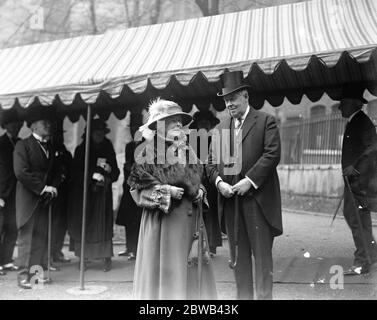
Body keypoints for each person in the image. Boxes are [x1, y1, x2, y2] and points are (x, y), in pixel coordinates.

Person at [128, 98, 217, 299]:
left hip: (190, 224)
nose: (178, 124)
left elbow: (197, 179)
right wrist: (165, 191)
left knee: (190, 276)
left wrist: (201, 190)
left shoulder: (188, 149)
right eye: (172, 120)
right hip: (163, 225)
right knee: (167, 276)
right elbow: (136, 190)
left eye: (179, 120)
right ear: (160, 126)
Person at [206, 71, 283, 300]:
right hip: (232, 205)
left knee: (262, 259)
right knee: (238, 260)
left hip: (257, 203)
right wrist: (219, 183)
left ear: (246, 96)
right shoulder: (220, 129)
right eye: (226, 100)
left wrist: (249, 181)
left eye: (233, 98)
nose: (229, 103)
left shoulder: (265, 121)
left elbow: (272, 155)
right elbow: (210, 163)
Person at [13, 106, 59, 289]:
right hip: (28, 198)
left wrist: (53, 186)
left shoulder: (50, 146)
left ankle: (35, 276)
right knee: (27, 239)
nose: (47, 125)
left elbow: (54, 170)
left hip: (44, 198)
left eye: (48, 122)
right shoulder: (22, 145)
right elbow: (21, 173)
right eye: (43, 123)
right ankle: (23, 276)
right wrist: (43, 187)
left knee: (41, 237)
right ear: (33, 127)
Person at [68, 118, 120, 272]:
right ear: (89, 133)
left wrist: (110, 171)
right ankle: (83, 258)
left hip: (103, 195)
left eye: (102, 133)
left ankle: (106, 258)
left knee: (103, 226)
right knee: (86, 224)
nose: (99, 136)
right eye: (96, 133)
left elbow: (116, 172)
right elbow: (75, 173)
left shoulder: (108, 147)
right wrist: (91, 175)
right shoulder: (81, 149)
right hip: (86, 195)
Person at [336, 84, 377, 275]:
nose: (339, 108)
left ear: (354, 104)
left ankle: (363, 261)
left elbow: (373, 149)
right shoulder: (355, 121)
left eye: (342, 103)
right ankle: (371, 253)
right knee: (355, 217)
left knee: (358, 219)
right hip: (353, 182)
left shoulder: (362, 122)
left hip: (360, 182)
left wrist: (355, 168)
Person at [189, 110, 222, 256]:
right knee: (196, 213)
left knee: (211, 212)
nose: (204, 127)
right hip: (194, 179)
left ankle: (212, 245)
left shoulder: (214, 140)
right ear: (196, 126)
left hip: (209, 181)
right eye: (201, 124)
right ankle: (196, 245)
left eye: (207, 124)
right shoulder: (190, 140)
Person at [116, 113, 143, 260]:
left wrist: (132, 167)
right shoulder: (129, 146)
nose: (135, 132)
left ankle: (137, 248)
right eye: (132, 129)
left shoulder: (147, 145)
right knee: (128, 218)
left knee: (138, 218)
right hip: (129, 185)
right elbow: (126, 166)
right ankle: (129, 247)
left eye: (137, 129)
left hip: (141, 186)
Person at [0, 109, 23, 275]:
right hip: (1, 193)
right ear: (5, 126)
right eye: (10, 124)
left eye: (17, 124)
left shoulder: (20, 143)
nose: (14, 127)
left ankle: (7, 260)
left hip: (16, 194)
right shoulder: (0, 143)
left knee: (12, 227)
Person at [50, 125, 72, 264]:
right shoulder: (49, 151)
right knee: (53, 224)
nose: (59, 137)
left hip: (64, 195)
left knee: (62, 225)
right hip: (53, 195)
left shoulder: (66, 153)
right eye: (57, 134)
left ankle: (57, 251)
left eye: (61, 134)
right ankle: (50, 254)